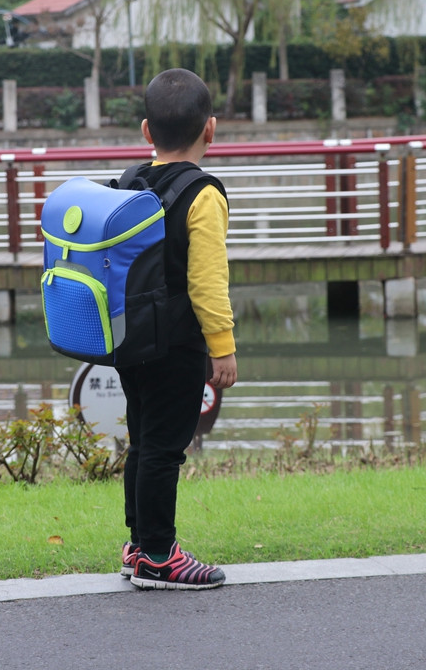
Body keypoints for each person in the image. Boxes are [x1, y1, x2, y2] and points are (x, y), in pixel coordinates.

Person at [117, 68, 238, 591]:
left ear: (147, 132)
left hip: (130, 340)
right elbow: (208, 282)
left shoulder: (129, 183)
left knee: (143, 442)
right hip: (177, 344)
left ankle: (139, 546)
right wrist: (223, 348)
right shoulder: (203, 194)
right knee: (165, 448)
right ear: (210, 129)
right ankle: (160, 556)